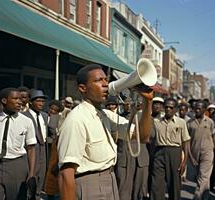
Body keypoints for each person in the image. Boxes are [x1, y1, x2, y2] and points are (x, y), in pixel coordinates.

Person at [57, 64, 153, 200]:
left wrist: (148, 102)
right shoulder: (77, 119)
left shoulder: (107, 115)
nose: (105, 85)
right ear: (82, 88)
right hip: (89, 185)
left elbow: (143, 136)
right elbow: (66, 173)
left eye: (105, 80)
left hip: (110, 180)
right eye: (98, 81)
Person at [0, 87, 36, 199]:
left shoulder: (26, 122)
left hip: (17, 166)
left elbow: (31, 149)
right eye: (15, 98)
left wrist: (31, 174)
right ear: (4, 101)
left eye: (20, 99)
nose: (20, 101)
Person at [150, 98, 190, 200]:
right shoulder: (156, 121)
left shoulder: (181, 122)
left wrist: (184, 162)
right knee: (157, 183)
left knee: (174, 183)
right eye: (166, 107)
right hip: (159, 152)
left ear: (175, 109)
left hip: (174, 153)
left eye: (171, 107)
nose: (168, 109)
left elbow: (185, 142)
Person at [187, 100, 215, 200]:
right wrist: (190, 156)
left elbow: (214, 137)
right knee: (201, 177)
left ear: (204, 110)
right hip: (194, 153)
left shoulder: (210, 122)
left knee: (203, 176)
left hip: (208, 152)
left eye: (199, 108)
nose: (197, 110)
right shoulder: (189, 123)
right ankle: (205, 197)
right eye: (195, 108)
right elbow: (187, 141)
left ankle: (197, 197)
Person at [23, 89, 48, 199]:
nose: (41, 104)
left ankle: (38, 196)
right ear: (31, 102)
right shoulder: (24, 116)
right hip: (31, 149)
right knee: (30, 176)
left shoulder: (44, 116)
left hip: (43, 149)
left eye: (42, 101)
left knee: (41, 176)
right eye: (38, 101)